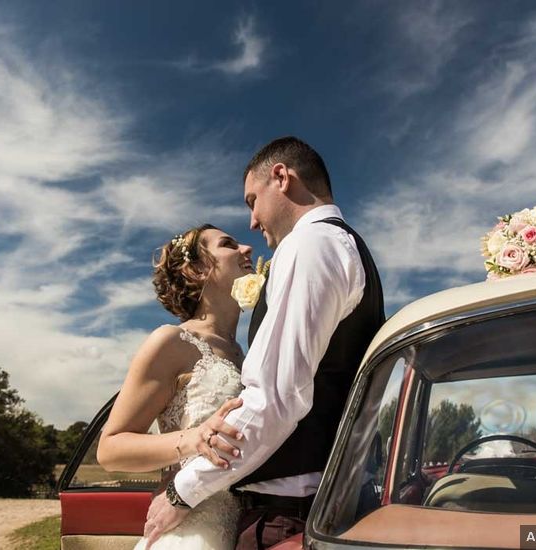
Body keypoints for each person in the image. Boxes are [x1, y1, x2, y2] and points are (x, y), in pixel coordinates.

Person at [144, 136, 385, 550]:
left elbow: (276, 397)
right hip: (306, 505)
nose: (252, 223)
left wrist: (181, 491)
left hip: (291, 516)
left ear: (281, 177)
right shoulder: (338, 243)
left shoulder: (310, 243)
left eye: (251, 200)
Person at [97, 224, 257, 550]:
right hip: (191, 530)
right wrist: (194, 439)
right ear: (196, 269)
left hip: (245, 526)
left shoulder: (249, 353)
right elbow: (110, 449)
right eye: (229, 244)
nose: (247, 249)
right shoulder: (171, 342)